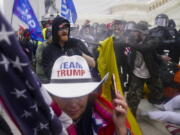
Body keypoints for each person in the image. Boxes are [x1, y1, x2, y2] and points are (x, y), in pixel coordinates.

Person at [43, 55, 131, 135]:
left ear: (88, 94)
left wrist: (120, 128)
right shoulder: (40, 122)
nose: (73, 104)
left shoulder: (108, 120)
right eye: (65, 96)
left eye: (80, 95)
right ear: (54, 96)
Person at [123, 22, 164, 116]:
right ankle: (130, 119)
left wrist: (130, 44)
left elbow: (146, 48)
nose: (133, 34)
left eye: (136, 32)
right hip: (136, 73)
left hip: (151, 72)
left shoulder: (152, 40)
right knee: (133, 98)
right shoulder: (133, 40)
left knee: (157, 91)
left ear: (142, 32)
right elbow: (126, 53)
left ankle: (156, 106)